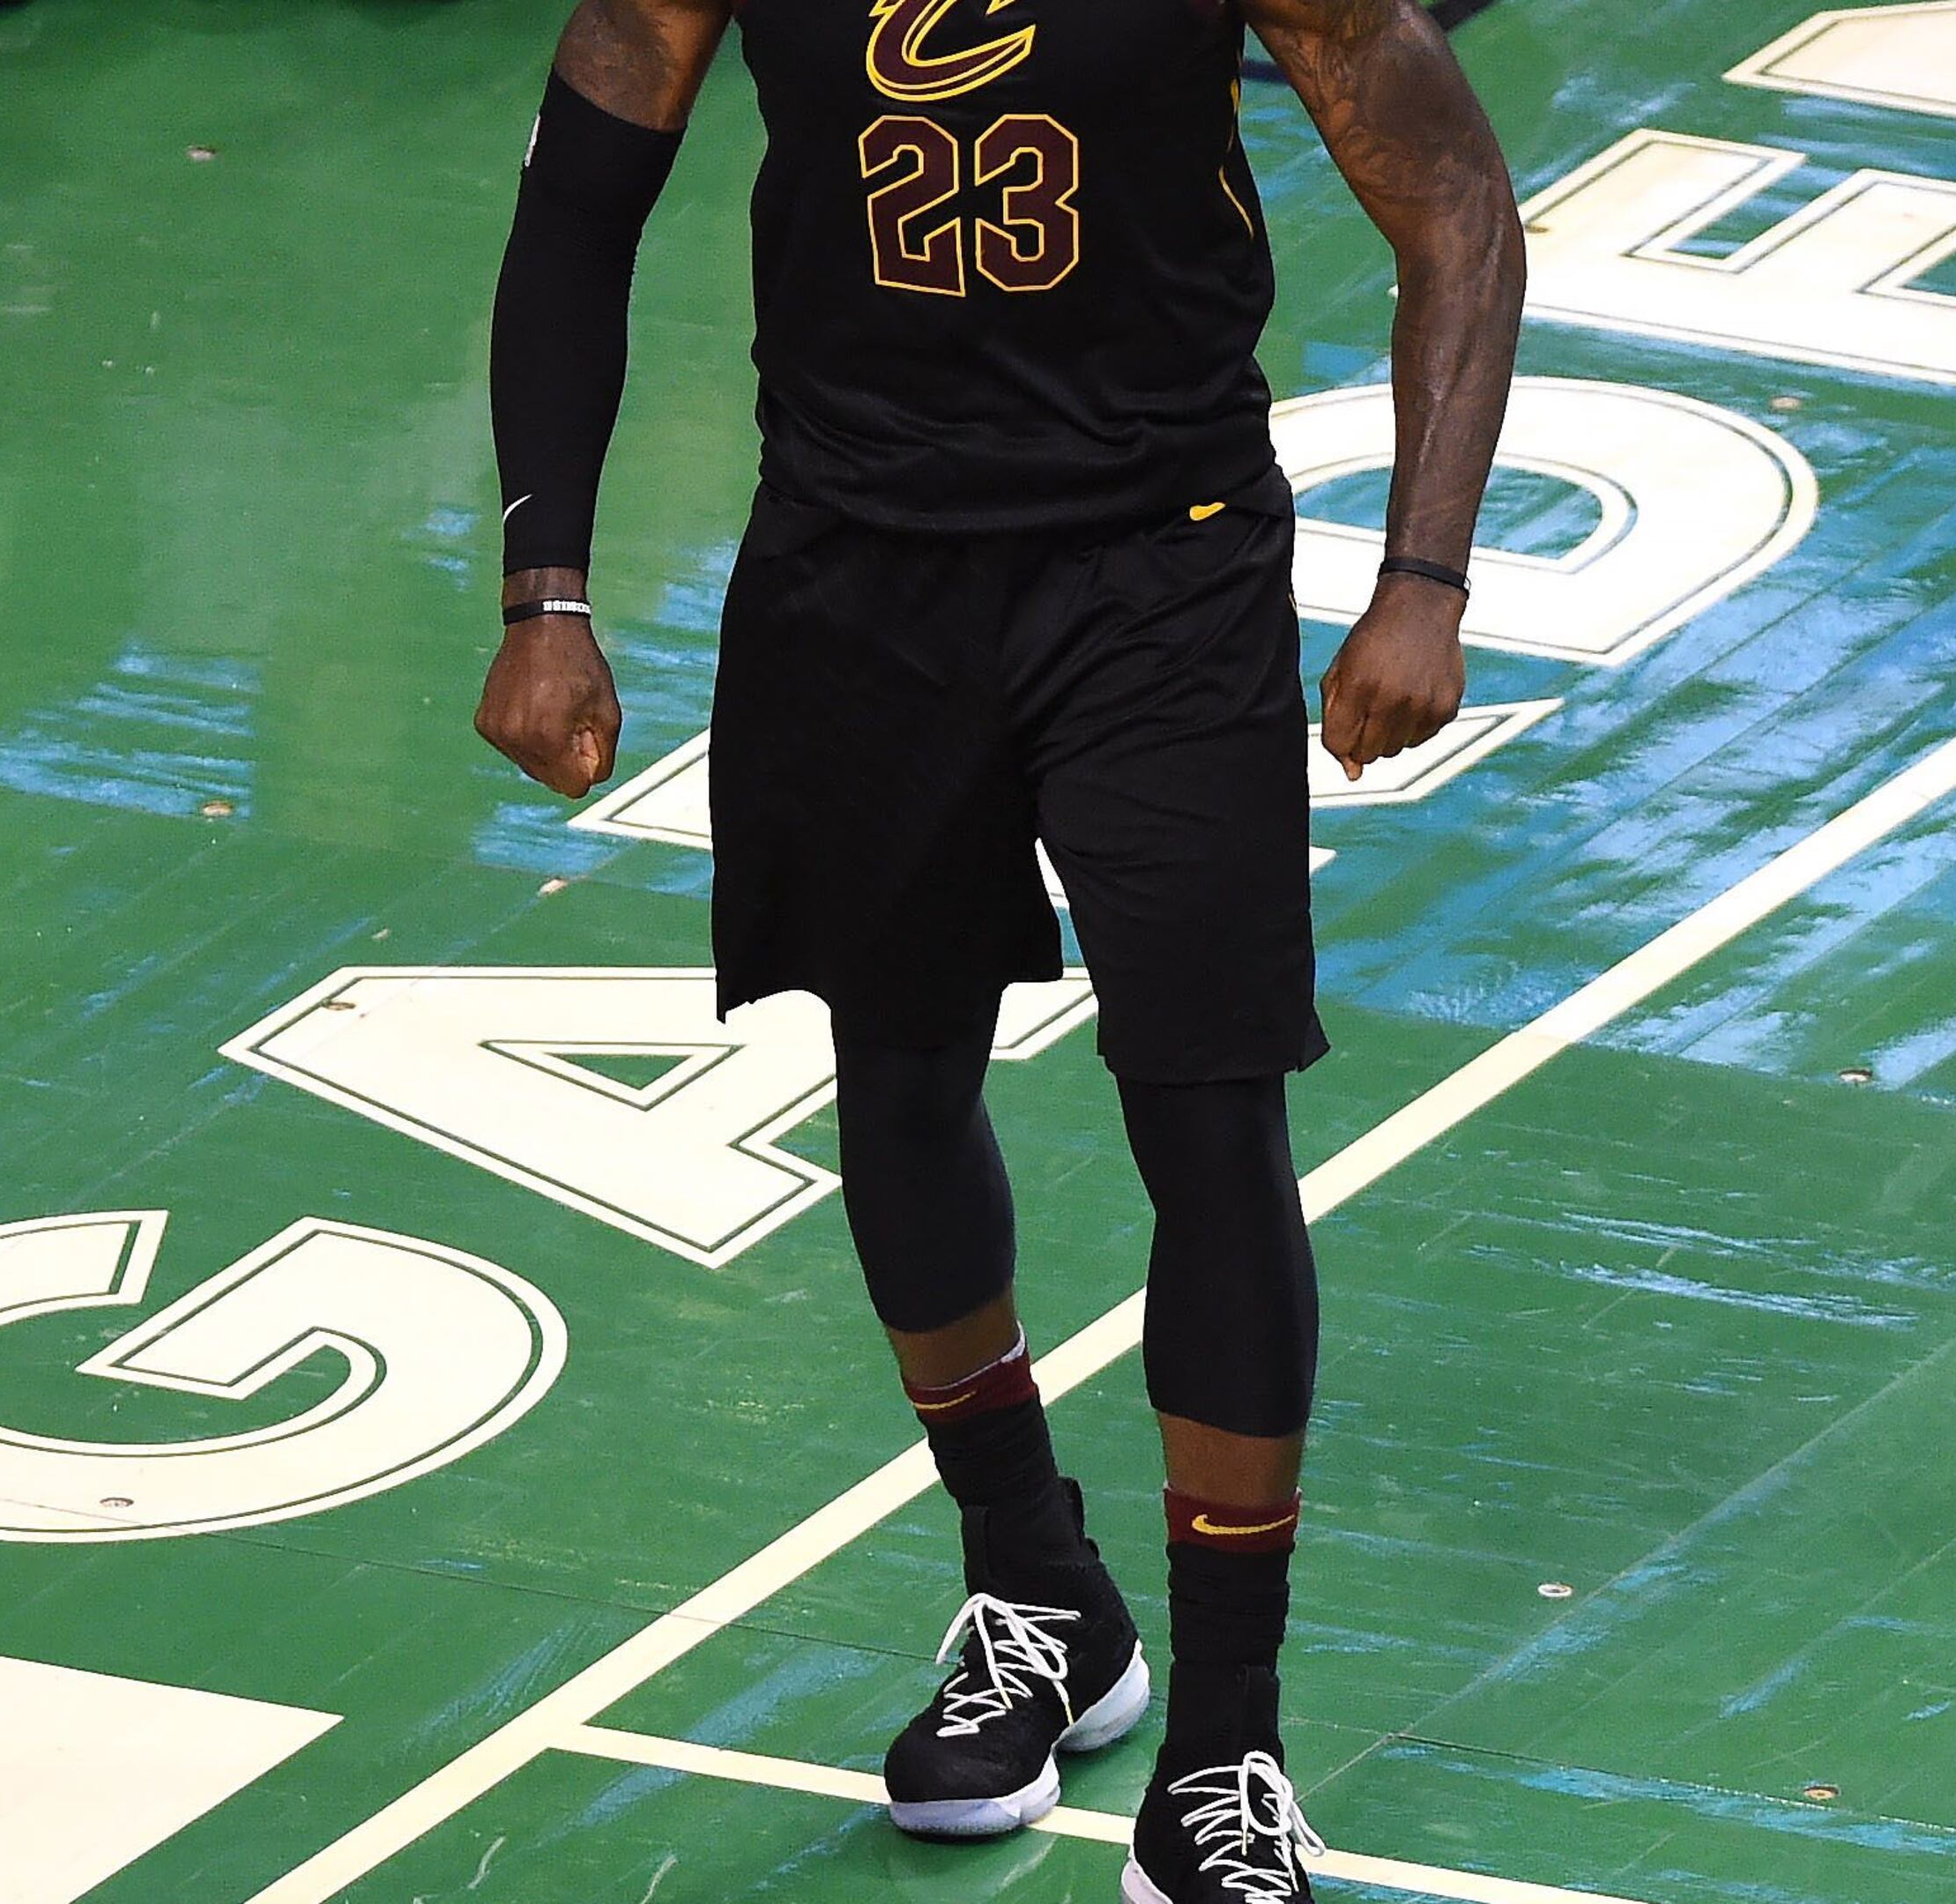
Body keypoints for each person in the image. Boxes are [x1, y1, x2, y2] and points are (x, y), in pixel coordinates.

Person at [475, 0, 1522, 1896]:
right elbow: (576, 211)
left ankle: (1227, 1744)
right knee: (894, 1085)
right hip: (856, 562)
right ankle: (1036, 1585)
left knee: (1211, 1125)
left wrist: (1424, 577)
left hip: (1163, 565)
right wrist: (544, 590)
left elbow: (1454, 200)